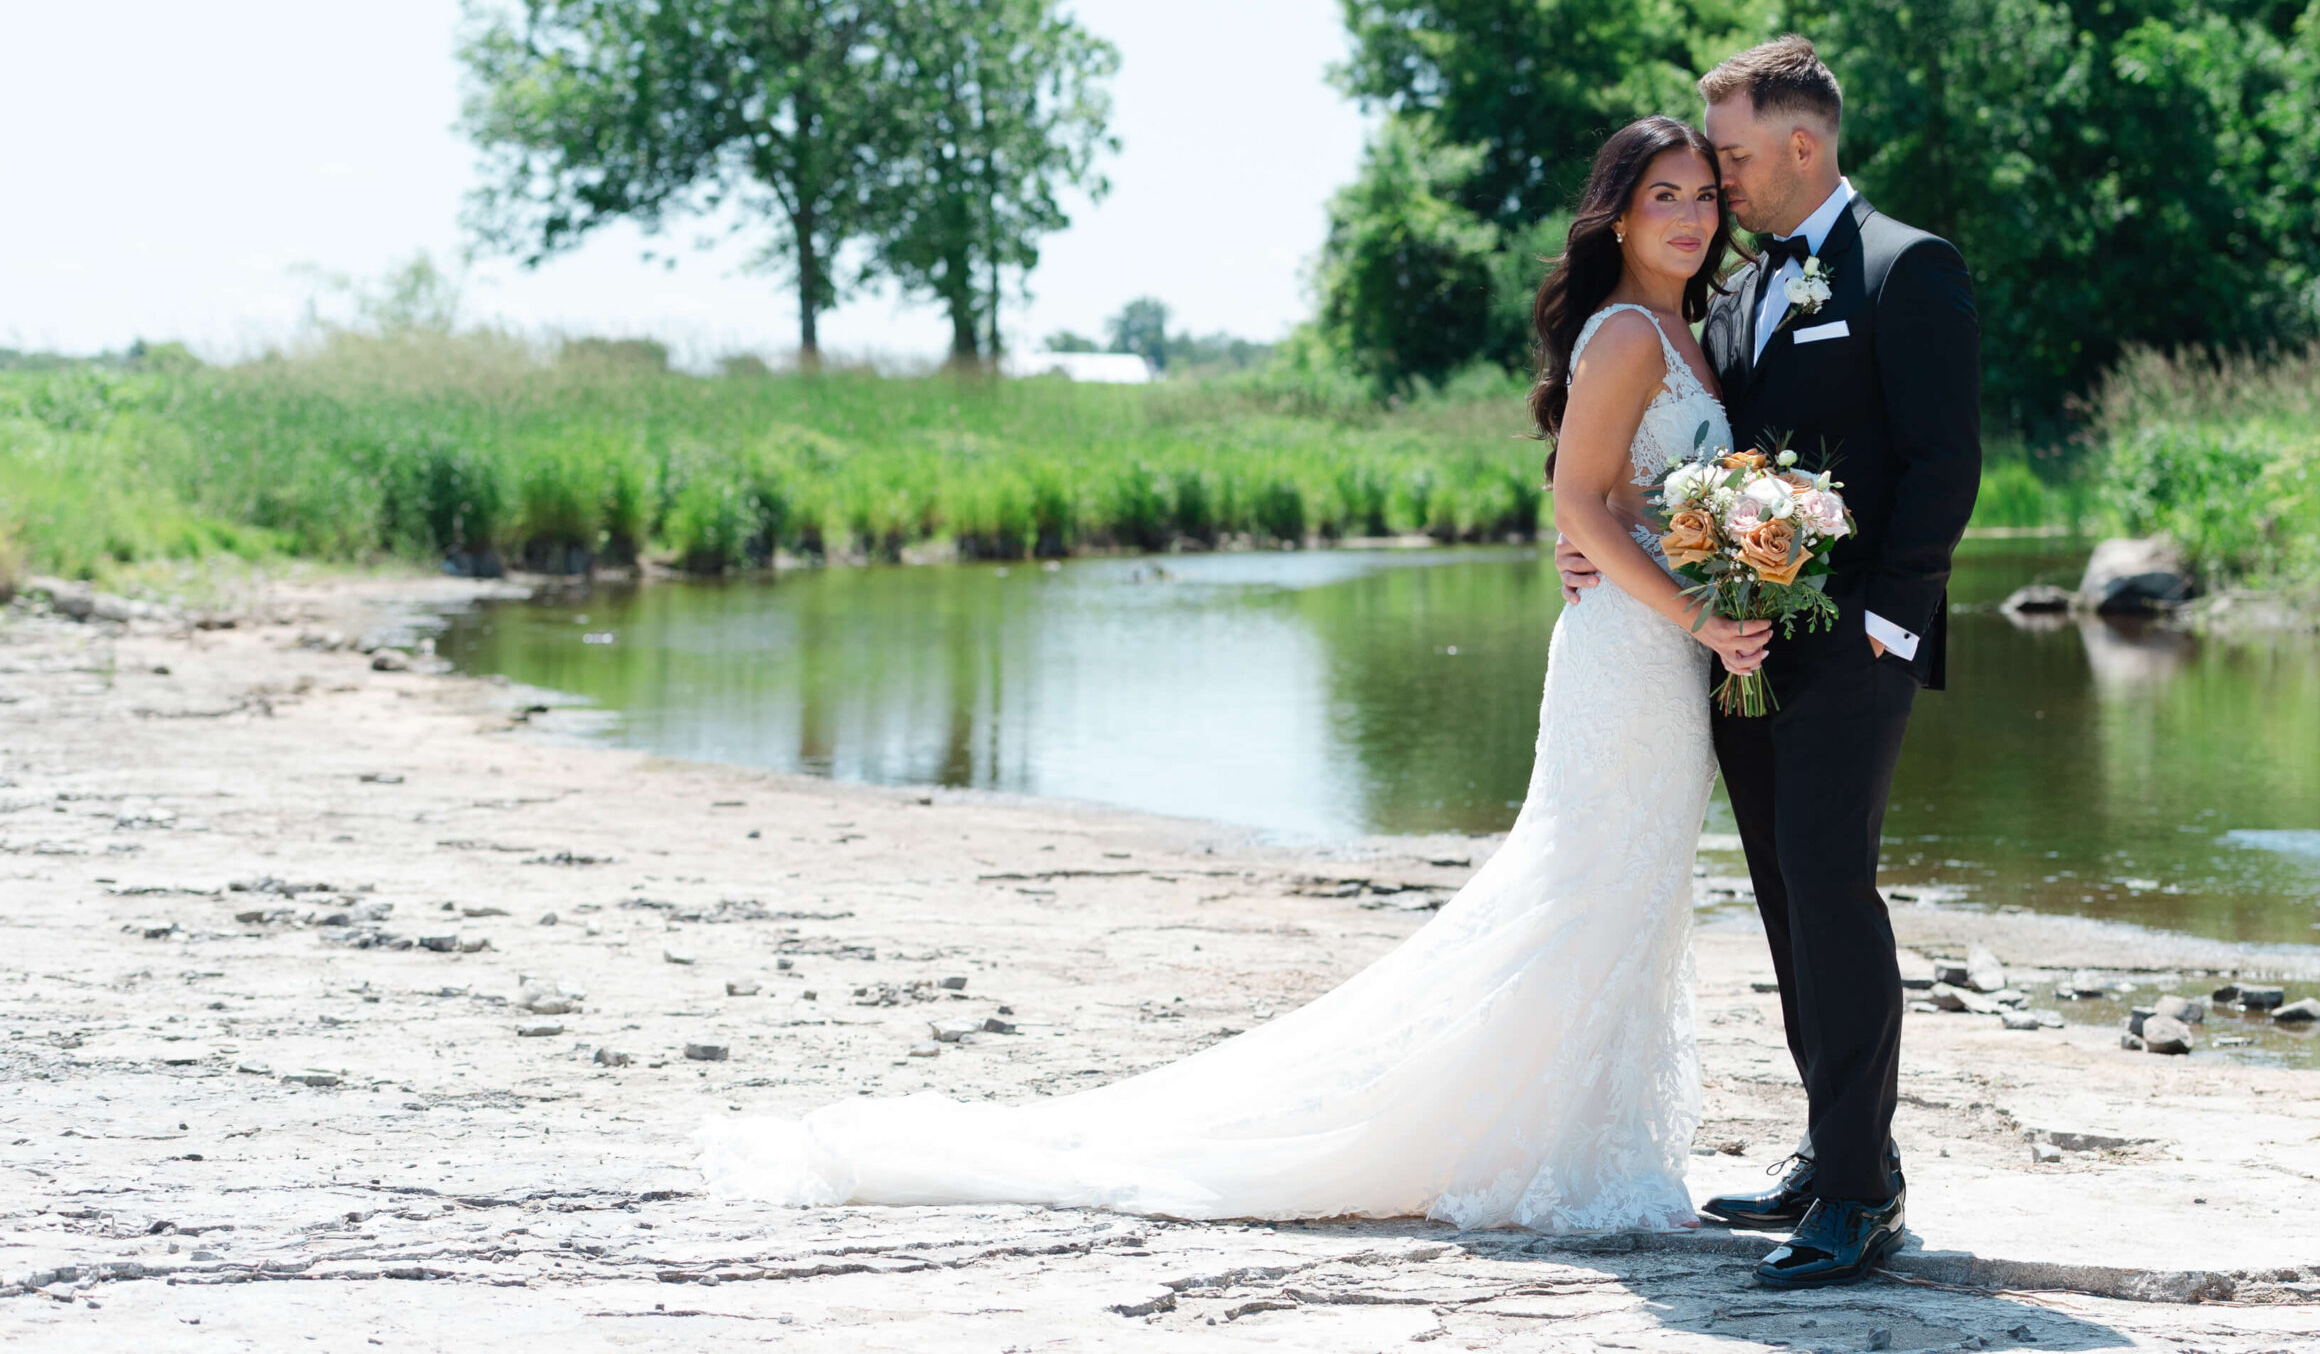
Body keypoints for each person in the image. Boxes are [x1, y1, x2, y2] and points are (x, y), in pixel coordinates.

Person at [698, 116, 1747, 1234]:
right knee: (1581, 888)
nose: (1687, 219)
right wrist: (1702, 615)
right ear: (1618, 216)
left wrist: (1730, 566)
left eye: (1699, 198)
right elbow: (1577, 502)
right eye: (1662, 199)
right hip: (1629, 655)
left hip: (1667, 656)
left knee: (1626, 891)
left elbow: (1637, 501)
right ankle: (1536, 1146)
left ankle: (1582, 1134)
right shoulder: (1630, 334)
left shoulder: (1692, 331)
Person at [1557, 37, 1982, 1286]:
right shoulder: (1737, 293)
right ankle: (1828, 1144)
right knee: (1786, 896)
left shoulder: (1909, 269)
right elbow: (1652, 453)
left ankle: (1861, 1194)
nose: (1721, 184)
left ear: (1802, 145)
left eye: (1731, 158)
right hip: (1736, 649)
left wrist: (1889, 626)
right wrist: (1597, 541)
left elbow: (1943, 465)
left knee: (1831, 888)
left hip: (1853, 644)